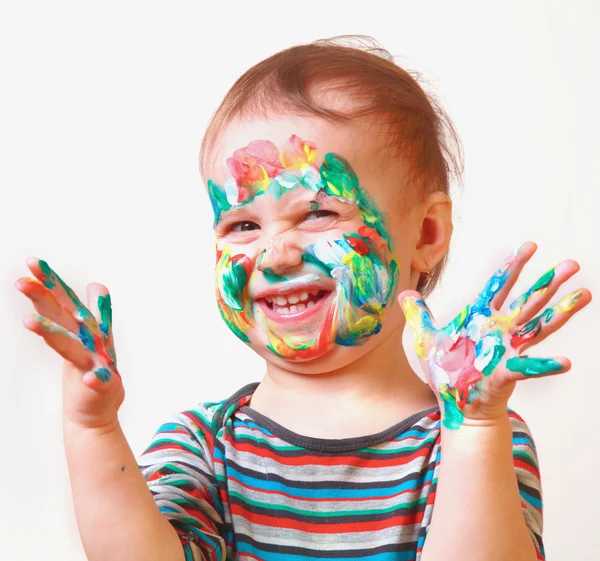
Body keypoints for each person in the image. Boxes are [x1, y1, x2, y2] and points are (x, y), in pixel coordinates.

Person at [15, 36, 592, 561]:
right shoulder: (204, 446)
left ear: (426, 235)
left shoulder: (475, 438)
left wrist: (473, 432)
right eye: (242, 225)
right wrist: (93, 432)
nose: (276, 254)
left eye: (318, 212)